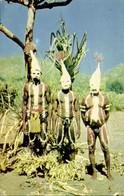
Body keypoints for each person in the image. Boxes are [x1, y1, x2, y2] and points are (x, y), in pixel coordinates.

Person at [81, 57, 113, 180]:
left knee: (105, 147)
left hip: (101, 126)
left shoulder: (103, 98)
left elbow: (107, 112)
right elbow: (83, 114)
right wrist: (87, 124)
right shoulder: (86, 99)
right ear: (90, 85)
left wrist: (103, 122)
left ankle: (108, 172)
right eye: (92, 84)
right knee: (91, 148)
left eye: (96, 85)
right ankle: (93, 170)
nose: (94, 87)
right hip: (90, 127)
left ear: (99, 85)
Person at [22, 50, 51, 153]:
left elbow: (50, 103)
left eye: (38, 73)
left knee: (43, 139)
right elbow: (24, 104)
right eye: (34, 73)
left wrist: (49, 118)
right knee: (32, 141)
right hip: (31, 114)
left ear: (40, 74)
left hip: (42, 114)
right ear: (31, 73)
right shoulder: (27, 87)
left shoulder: (45, 87)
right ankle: (32, 160)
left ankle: (43, 160)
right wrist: (24, 121)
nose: (36, 75)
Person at [52, 58, 81, 160]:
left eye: (68, 81)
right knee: (59, 143)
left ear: (70, 82)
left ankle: (72, 162)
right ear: (61, 82)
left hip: (71, 120)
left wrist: (79, 127)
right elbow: (54, 112)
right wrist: (53, 128)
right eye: (64, 81)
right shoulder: (57, 95)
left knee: (72, 143)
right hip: (60, 120)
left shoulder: (74, 95)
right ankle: (59, 162)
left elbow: (77, 111)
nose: (66, 83)